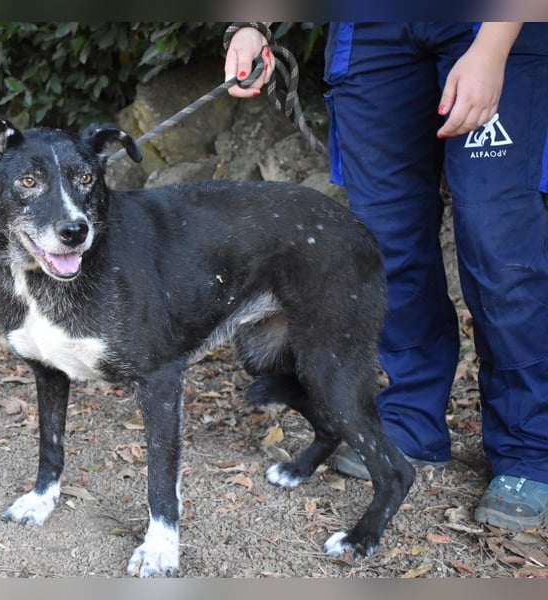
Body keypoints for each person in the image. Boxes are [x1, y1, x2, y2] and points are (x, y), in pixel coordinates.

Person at [223, 21, 548, 531]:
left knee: (499, 248)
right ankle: (411, 418)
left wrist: (491, 47)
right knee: (385, 244)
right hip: (372, 30)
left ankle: (530, 447)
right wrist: (252, 25)